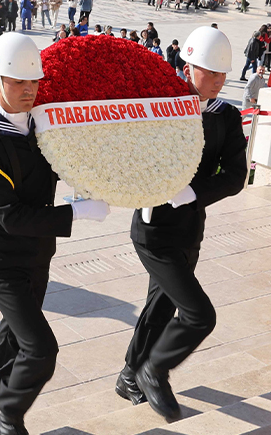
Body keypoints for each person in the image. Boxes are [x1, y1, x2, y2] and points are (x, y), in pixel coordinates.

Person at [0, 33, 110, 435]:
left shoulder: (43, 123)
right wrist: (75, 213)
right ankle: (9, 417)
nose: (29, 91)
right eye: (18, 82)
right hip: (3, 261)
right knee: (41, 348)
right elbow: (11, 216)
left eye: (34, 82)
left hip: (38, 255)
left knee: (15, 337)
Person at [117, 26, 247, 423]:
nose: (219, 81)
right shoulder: (159, 106)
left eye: (224, 74)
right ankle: (154, 370)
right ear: (189, 67)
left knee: (161, 304)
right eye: (211, 72)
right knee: (198, 314)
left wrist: (192, 193)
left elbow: (235, 176)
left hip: (190, 226)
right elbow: (129, 154)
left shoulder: (226, 115)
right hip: (153, 230)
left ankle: (128, 375)